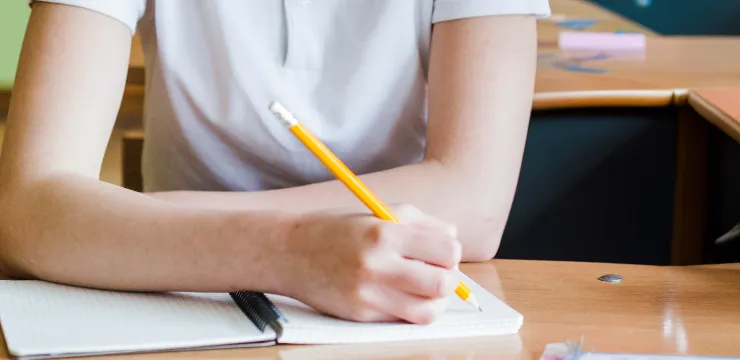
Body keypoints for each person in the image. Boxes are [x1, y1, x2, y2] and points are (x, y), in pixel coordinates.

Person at [0, 0, 549, 324]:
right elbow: (28, 210)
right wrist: (289, 250)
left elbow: (474, 204)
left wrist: (123, 221)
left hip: (403, 299)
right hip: (179, 302)